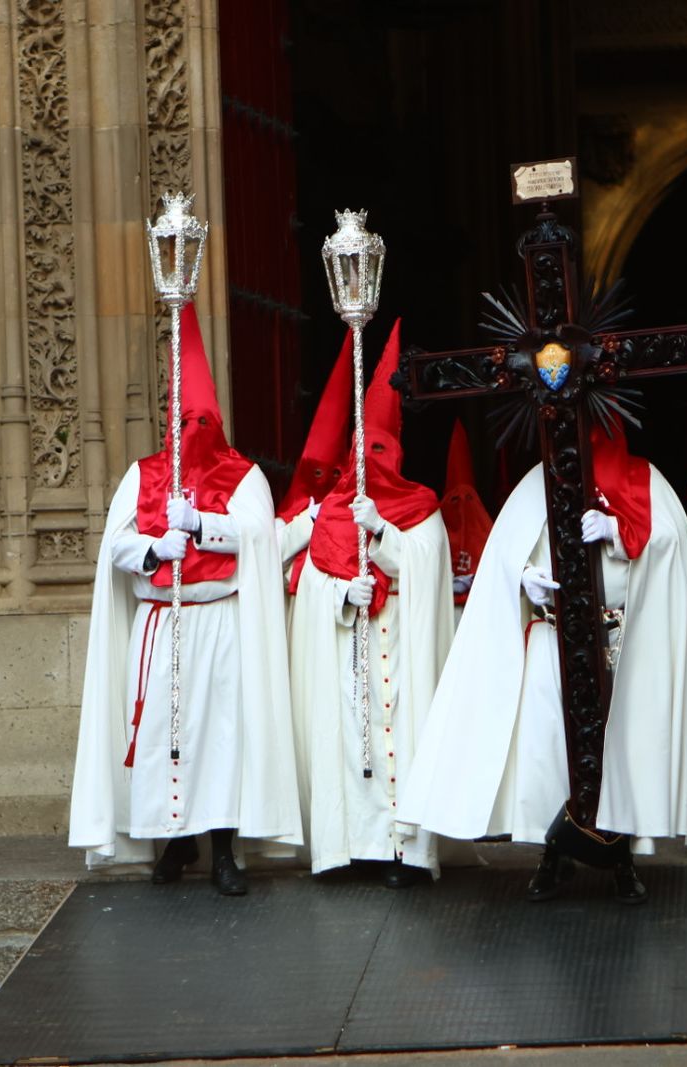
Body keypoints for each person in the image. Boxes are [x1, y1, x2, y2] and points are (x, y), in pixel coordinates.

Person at [399, 421, 687, 905]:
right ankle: (552, 855)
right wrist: (524, 577)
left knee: (614, 756)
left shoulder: (646, 478)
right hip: (552, 636)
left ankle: (621, 861)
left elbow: (671, 541)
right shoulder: (540, 481)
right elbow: (503, 556)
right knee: (548, 753)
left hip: (615, 639)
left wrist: (619, 529)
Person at [68, 305, 302, 895]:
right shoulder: (144, 474)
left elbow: (258, 536)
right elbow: (114, 547)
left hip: (217, 620)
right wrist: (152, 547)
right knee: (159, 737)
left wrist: (201, 524)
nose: (191, 427)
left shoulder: (243, 475)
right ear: (170, 420)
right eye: (183, 418)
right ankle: (173, 845)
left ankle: (223, 852)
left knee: (219, 736)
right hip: (161, 624)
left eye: (202, 418)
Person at [290, 321, 455, 886]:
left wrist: (382, 533)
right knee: (351, 742)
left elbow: (429, 562)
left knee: (405, 743)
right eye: (369, 451)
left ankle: (407, 851)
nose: (377, 461)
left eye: (385, 451)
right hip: (351, 648)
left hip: (402, 641)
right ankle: (354, 848)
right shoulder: (335, 509)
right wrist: (342, 592)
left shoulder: (420, 506)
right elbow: (311, 583)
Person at [275, 331, 354, 588]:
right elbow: (270, 558)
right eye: (318, 474)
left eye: (336, 475)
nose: (326, 482)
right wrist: (308, 520)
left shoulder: (359, 515)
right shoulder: (284, 522)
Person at [440, 419, 493, 622]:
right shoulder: (435, 528)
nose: (461, 506)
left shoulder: (484, 531)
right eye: (454, 500)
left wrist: (472, 579)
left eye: (468, 498)